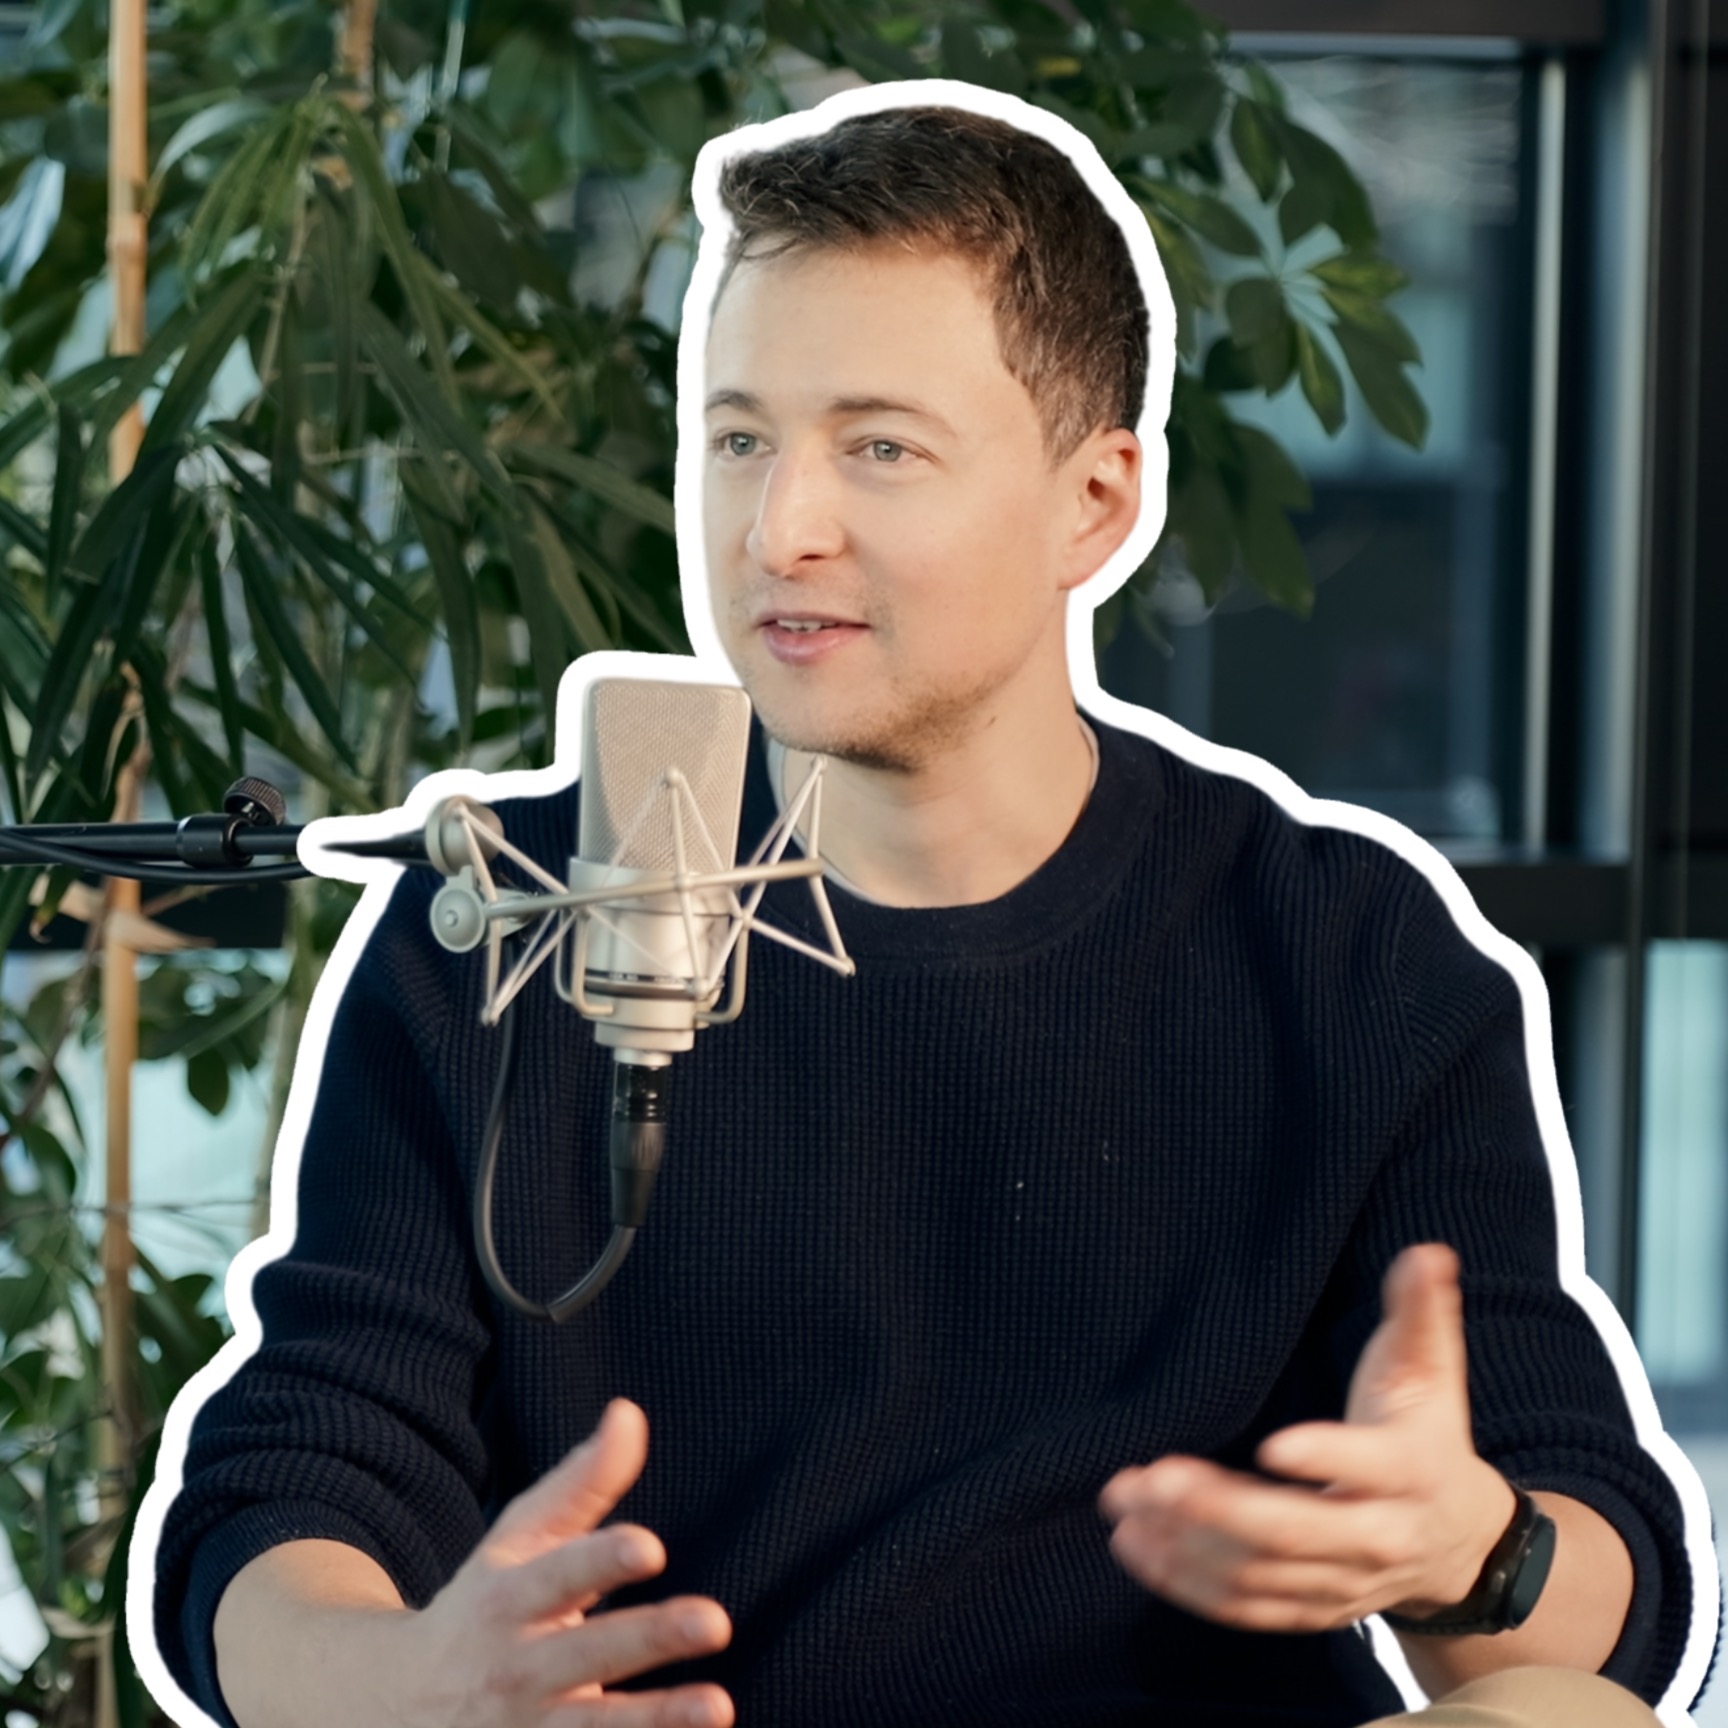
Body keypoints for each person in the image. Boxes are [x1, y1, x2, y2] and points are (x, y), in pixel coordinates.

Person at [136, 87, 1714, 1728]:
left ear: (1094, 504)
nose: (778, 529)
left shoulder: (1349, 957)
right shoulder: (505, 927)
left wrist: (1468, 1551)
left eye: (879, 447)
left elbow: (1596, 1635)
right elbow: (288, 1495)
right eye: (739, 439)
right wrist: (404, 1687)